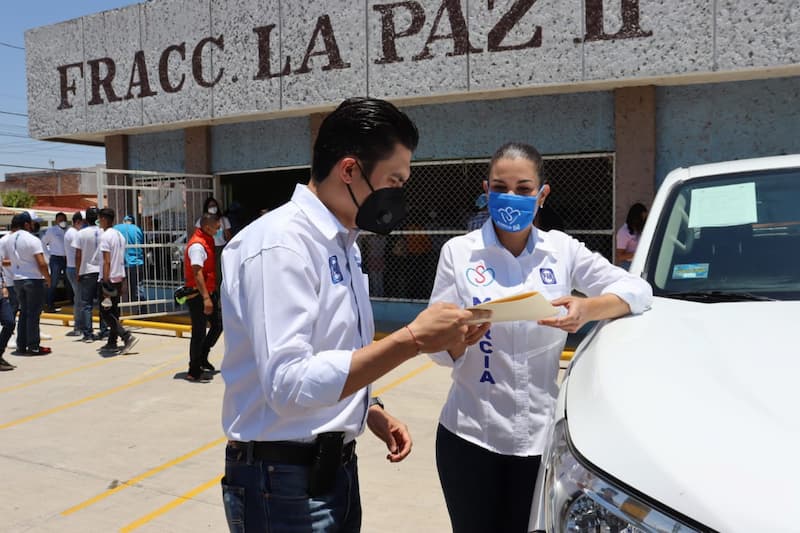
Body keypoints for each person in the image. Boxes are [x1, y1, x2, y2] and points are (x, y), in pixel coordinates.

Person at [219, 97, 485, 532]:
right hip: (282, 484)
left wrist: (370, 409)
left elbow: (333, 350)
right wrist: (413, 340)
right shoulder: (282, 245)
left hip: (330, 471)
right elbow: (288, 383)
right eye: (393, 180)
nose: (398, 194)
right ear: (349, 171)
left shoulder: (343, 243)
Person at [428, 142, 653, 533]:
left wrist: (587, 310)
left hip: (538, 441)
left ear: (542, 194)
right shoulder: (459, 253)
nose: (510, 197)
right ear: (486, 191)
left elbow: (639, 291)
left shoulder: (562, 251)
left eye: (523, 188)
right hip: (469, 437)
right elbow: (437, 347)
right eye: (500, 187)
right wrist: (458, 338)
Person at [183, 213, 223, 381]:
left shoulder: (207, 240)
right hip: (198, 295)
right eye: (217, 226)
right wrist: (206, 298)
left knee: (217, 325)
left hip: (208, 292)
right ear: (207, 227)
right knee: (198, 332)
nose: (219, 229)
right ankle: (194, 370)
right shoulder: (197, 245)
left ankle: (202, 356)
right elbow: (197, 273)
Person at [8, 212, 52, 356]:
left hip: (17, 279)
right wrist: (48, 278)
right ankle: (33, 345)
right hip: (33, 279)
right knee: (34, 314)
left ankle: (21, 345)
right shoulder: (32, 239)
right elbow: (41, 263)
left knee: (24, 313)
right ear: (27, 224)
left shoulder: (10, 239)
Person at [97, 208, 138, 355]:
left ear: (104, 219)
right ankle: (112, 342)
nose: (99, 222)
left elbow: (106, 261)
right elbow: (121, 258)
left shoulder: (105, 237)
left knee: (105, 313)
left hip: (109, 278)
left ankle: (126, 336)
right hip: (119, 277)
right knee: (113, 311)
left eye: (99, 219)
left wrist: (105, 281)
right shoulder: (120, 236)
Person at [74, 207, 103, 342]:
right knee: (104, 303)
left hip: (87, 271)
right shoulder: (104, 232)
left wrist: (78, 272)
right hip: (102, 271)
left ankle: (88, 334)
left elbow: (78, 255)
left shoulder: (81, 234)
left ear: (86, 219)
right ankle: (104, 330)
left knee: (87, 304)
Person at [195, 197, 231, 282]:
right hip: (207, 248)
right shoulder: (201, 221)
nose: (212, 207)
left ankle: (218, 292)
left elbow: (228, 236)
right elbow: (197, 235)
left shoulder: (223, 220)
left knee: (219, 272)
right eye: (210, 206)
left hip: (219, 248)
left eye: (214, 205)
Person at [114, 214, 145, 312]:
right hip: (137, 262)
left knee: (117, 287)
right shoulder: (138, 229)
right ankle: (142, 309)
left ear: (124, 221)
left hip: (121, 262)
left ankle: (116, 309)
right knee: (138, 287)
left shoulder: (116, 228)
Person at [42, 212, 68, 312]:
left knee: (69, 281)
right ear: (56, 221)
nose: (62, 222)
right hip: (56, 258)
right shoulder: (51, 231)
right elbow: (43, 243)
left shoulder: (69, 230)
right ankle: (49, 304)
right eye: (60, 220)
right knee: (53, 282)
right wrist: (48, 256)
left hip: (67, 259)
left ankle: (70, 301)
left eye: (64, 220)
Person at [63, 212, 84, 336]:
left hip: (70, 267)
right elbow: (78, 253)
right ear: (78, 222)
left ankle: (79, 325)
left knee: (78, 298)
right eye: (82, 222)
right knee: (79, 299)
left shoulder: (68, 233)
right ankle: (79, 326)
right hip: (75, 268)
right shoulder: (75, 234)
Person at [616, 202, 648, 270]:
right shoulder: (623, 232)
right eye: (642, 219)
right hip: (629, 265)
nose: (643, 221)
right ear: (635, 218)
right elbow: (620, 256)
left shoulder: (639, 229)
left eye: (645, 218)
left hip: (642, 264)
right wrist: (638, 253)